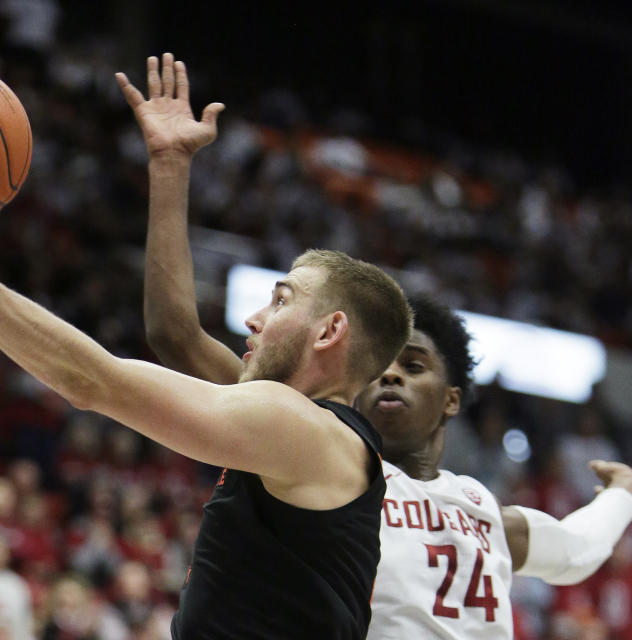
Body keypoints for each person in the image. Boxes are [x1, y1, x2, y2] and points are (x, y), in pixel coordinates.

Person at [0, 64, 414, 638]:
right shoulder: (293, 423)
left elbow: (91, 382)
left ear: (329, 332)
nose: (254, 317)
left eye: (280, 301)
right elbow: (174, 334)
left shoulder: (302, 429)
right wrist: (170, 164)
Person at [126, 53, 632, 640]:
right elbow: (175, 334)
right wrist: (170, 170)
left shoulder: (482, 509)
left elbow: (576, 550)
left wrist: (621, 493)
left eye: (414, 367)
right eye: (383, 367)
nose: (390, 378)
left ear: (451, 400)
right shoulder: (315, 445)